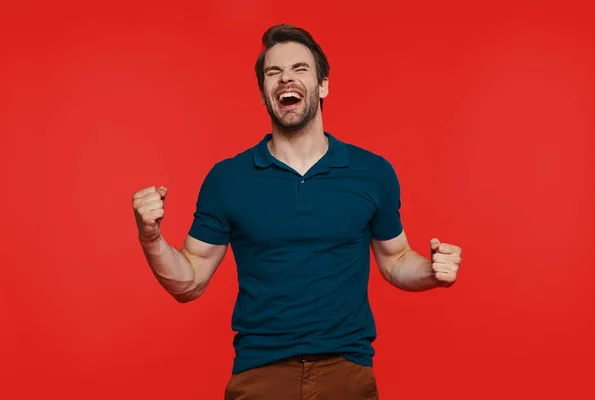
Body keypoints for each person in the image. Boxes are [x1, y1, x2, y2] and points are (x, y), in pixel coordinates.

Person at [132, 24, 462, 400]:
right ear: (263, 94)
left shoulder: (373, 173)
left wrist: (430, 271)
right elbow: (188, 281)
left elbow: (396, 258)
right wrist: (151, 237)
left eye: (300, 69)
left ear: (323, 86)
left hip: (347, 371)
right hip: (259, 374)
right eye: (274, 72)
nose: (286, 77)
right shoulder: (228, 179)